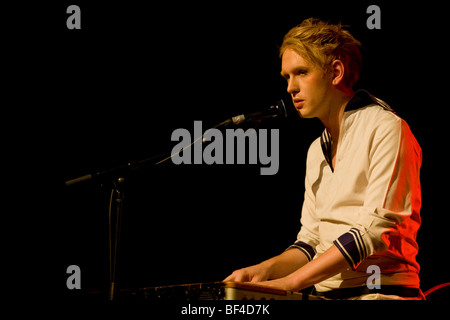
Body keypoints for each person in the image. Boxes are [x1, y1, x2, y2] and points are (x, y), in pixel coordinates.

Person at [224, 18, 423, 300]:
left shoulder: (386, 128)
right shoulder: (316, 150)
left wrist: (289, 283)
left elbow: (376, 230)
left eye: (301, 72)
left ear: (336, 72)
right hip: (326, 296)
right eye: (287, 77)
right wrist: (264, 271)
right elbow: (312, 241)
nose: (291, 87)